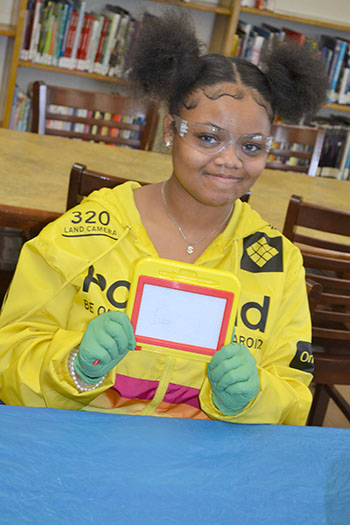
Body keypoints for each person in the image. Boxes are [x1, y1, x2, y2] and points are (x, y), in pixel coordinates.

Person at [0, 11, 328, 424]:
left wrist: (253, 397)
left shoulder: (276, 263)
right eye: (208, 137)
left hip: (205, 466)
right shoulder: (89, 231)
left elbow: (294, 396)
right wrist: (73, 367)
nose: (230, 161)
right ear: (171, 130)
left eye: (252, 146)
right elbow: (9, 353)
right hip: (81, 449)